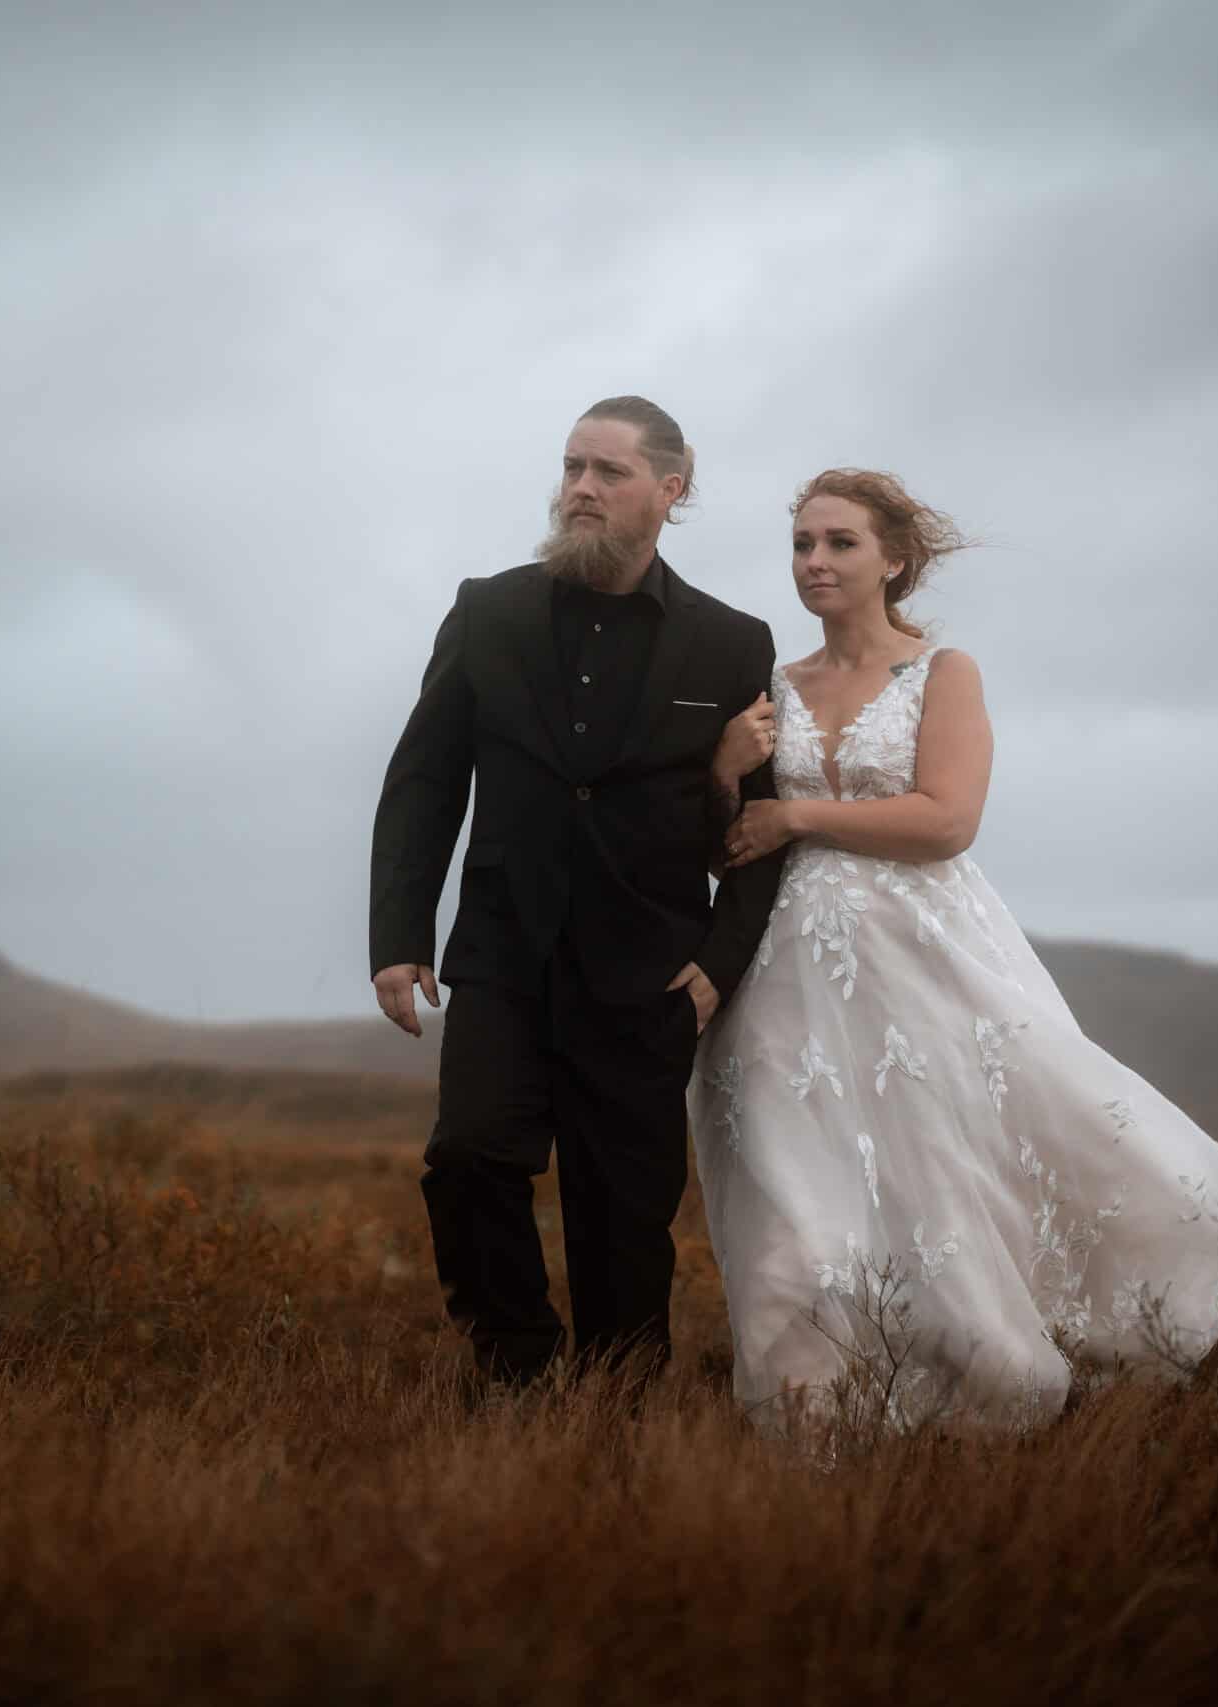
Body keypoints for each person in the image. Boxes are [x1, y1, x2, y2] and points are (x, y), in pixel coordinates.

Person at [690, 468, 1218, 1434]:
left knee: (942, 1174)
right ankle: (815, 1412)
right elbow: (729, 844)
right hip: (784, 973)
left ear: (895, 560)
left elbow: (947, 819)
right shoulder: (771, 690)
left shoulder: (942, 672)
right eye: (802, 544)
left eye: (840, 543)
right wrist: (722, 776)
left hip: (921, 954)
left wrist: (795, 810)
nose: (815, 562)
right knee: (795, 1196)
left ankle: (985, 1386)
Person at [368, 396, 788, 1390]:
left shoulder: (731, 644)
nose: (581, 490)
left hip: (649, 976)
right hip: (504, 958)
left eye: (607, 473)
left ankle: (614, 1426)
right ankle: (515, 1373)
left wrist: (718, 969)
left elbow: (762, 829)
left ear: (669, 490)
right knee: (468, 1161)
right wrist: (398, 936)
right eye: (571, 469)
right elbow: (424, 780)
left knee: (624, 1221)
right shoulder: (489, 610)